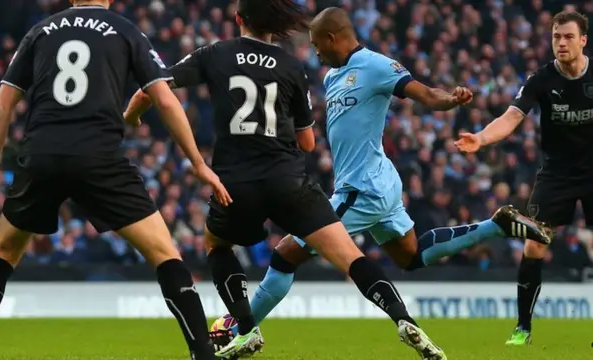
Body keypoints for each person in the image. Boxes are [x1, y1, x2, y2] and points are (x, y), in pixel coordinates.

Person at [125, 1, 464, 359]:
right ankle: (402, 318)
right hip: (288, 181)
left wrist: (133, 114)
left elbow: (155, 87)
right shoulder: (291, 66)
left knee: (217, 244)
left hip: (235, 182)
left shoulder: (214, 54)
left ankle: (245, 326)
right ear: (275, 26)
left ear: (238, 19)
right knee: (350, 256)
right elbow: (307, 142)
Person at [210, 5, 553, 351]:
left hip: (361, 188)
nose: (315, 51)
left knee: (286, 253)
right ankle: (496, 225)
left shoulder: (376, 66)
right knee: (411, 255)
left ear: (332, 38)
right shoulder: (331, 76)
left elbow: (426, 93)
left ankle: (241, 327)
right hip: (376, 184)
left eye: (317, 44)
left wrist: (452, 99)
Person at [0, 1, 231, 360]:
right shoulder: (125, 30)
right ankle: (203, 354)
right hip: (99, 156)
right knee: (164, 253)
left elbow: (0, 108)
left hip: (42, 154)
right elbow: (165, 101)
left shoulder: (40, 31)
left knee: (3, 253)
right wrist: (197, 162)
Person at [455, 11, 591, 345]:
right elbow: (512, 116)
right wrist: (482, 138)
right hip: (556, 172)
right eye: (556, 36)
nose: (561, 42)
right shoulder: (541, 79)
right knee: (534, 244)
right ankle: (523, 328)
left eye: (569, 36)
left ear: (583, 40)